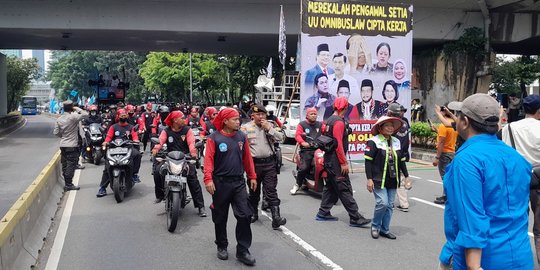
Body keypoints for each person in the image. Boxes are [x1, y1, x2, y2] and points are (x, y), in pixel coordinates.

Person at [438, 93, 533, 270]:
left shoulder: (467, 160)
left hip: (483, 259)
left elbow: (471, 216)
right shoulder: (516, 157)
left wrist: (474, 265)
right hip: (520, 256)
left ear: (464, 122)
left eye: (457, 116)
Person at [203, 108, 257, 266]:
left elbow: (247, 159)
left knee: (245, 215)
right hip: (220, 183)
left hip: (239, 182)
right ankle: (222, 245)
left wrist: (252, 176)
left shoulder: (242, 136)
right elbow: (208, 160)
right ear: (225, 121)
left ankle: (243, 250)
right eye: (235, 119)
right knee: (220, 216)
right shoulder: (214, 138)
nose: (238, 122)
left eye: (238, 119)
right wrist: (208, 179)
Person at [315, 96, 371, 228]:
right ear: (345, 108)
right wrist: (343, 162)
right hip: (335, 160)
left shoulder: (329, 120)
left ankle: (323, 212)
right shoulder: (339, 122)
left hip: (328, 158)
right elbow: (338, 144)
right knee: (344, 188)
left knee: (331, 187)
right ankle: (355, 217)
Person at [501, 94, 540, 264]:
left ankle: (516, 259)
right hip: (539, 181)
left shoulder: (508, 128)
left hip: (515, 181)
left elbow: (503, 153)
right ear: (539, 111)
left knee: (516, 223)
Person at [151, 111, 207, 216]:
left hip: (185, 157)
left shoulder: (187, 130)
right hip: (169, 157)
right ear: (175, 120)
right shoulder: (166, 131)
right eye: (182, 118)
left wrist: (193, 153)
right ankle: (160, 195)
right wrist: (156, 149)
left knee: (192, 178)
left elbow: (191, 143)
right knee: (158, 171)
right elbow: (160, 141)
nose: (184, 119)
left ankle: (200, 206)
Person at [242, 104, 286, 229]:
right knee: (254, 192)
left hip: (269, 163)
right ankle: (253, 213)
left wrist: (269, 129)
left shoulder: (270, 125)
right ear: (252, 116)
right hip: (254, 165)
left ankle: (276, 217)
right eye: (258, 114)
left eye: (263, 114)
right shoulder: (246, 128)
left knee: (271, 191)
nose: (261, 116)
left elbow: (281, 138)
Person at [365, 116, 409, 239]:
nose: (390, 128)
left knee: (390, 205)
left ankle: (385, 229)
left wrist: (406, 176)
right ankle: (375, 226)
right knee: (382, 203)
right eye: (387, 125)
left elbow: (401, 161)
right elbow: (368, 162)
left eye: (392, 125)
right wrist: (369, 179)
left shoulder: (396, 141)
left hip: (393, 179)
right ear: (380, 128)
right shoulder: (373, 141)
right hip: (378, 178)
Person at [96, 109, 142, 197]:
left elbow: (135, 136)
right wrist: (106, 142)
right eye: (121, 116)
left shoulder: (131, 127)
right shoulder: (113, 127)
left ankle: (134, 174)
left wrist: (136, 140)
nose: (123, 117)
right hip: (114, 148)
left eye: (125, 115)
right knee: (107, 167)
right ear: (118, 117)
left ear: (127, 116)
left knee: (138, 155)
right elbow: (108, 137)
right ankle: (102, 188)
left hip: (127, 148)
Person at [53, 100, 87, 191]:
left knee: (65, 165)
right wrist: (77, 108)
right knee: (71, 165)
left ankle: (67, 183)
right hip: (72, 145)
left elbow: (56, 133)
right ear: (71, 107)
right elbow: (85, 114)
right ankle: (69, 184)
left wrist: (63, 136)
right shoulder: (73, 117)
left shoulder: (59, 119)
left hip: (63, 144)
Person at [291, 107, 324, 194]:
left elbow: (325, 133)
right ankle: (297, 184)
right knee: (304, 167)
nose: (313, 116)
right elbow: (297, 135)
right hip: (307, 150)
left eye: (315, 114)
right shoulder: (302, 124)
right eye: (311, 114)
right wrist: (303, 143)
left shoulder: (320, 125)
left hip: (319, 150)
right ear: (307, 115)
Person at [386, 103, 412, 212]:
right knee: (400, 179)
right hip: (402, 153)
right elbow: (407, 140)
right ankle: (404, 203)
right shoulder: (405, 123)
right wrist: (405, 152)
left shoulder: (390, 124)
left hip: (392, 154)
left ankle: (389, 203)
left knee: (388, 178)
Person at [431, 105, 458, 205]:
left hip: (444, 154)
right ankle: (446, 195)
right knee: (449, 175)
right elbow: (447, 137)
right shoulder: (453, 123)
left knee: (445, 177)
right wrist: (436, 131)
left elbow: (442, 142)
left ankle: (447, 196)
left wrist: (437, 157)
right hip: (452, 152)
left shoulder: (443, 125)